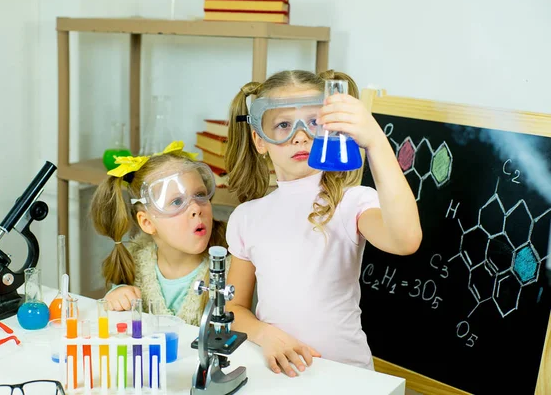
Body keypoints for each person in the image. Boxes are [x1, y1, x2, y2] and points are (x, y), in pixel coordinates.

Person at [224, 69, 422, 377]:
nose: (301, 135)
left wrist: (375, 142)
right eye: (283, 125)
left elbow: (405, 239)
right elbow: (233, 309)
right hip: (280, 374)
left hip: (347, 376)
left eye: (314, 122)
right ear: (259, 140)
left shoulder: (351, 202)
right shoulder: (246, 217)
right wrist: (264, 335)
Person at [90, 141, 229, 326]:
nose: (196, 207)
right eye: (177, 202)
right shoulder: (136, 263)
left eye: (200, 194)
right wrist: (117, 297)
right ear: (147, 223)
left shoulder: (229, 269)